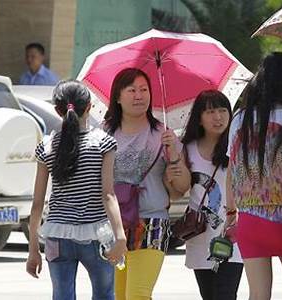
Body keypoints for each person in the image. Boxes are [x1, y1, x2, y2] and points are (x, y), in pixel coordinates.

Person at [25, 80, 127, 300]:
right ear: (89, 106)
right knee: (104, 294)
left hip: (57, 235)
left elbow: (37, 204)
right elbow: (108, 194)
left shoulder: (47, 146)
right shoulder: (104, 143)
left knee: (62, 295)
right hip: (96, 234)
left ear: (57, 110)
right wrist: (120, 237)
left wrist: (33, 249)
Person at [226, 52, 282, 300]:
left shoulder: (240, 119)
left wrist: (231, 214)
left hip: (250, 220)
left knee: (258, 294)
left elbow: (231, 171)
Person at [104, 67, 191, 300]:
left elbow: (182, 187)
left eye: (144, 90)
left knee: (138, 295)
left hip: (152, 222)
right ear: (118, 97)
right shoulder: (104, 134)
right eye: (131, 90)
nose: (139, 96)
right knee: (120, 295)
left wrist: (172, 151)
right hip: (114, 225)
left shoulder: (162, 134)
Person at [181, 90, 243, 300]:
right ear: (199, 117)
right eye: (210, 111)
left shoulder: (238, 145)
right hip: (200, 236)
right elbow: (176, 190)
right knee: (209, 295)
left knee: (225, 295)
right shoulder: (186, 149)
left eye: (223, 110)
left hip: (231, 235)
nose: (218, 117)